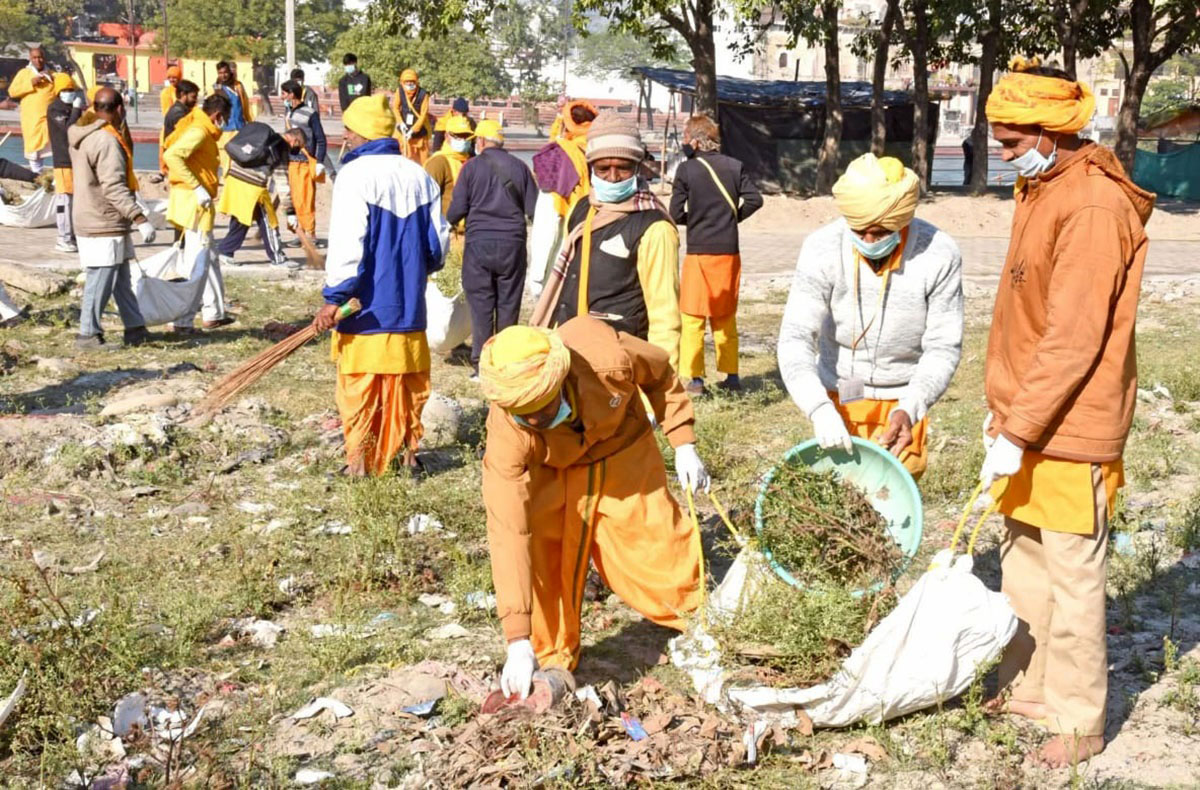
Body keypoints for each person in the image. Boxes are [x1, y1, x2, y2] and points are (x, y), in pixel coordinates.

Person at [979, 58, 1155, 769]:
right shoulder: (1043, 186)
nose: (1002, 153)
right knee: (1023, 556)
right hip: (1028, 416)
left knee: (1074, 574)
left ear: (1051, 132)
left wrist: (1020, 426)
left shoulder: (1091, 207)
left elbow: (1073, 337)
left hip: (1070, 423)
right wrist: (1005, 415)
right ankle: (1030, 686)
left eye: (1011, 141)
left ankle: (1080, 719)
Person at [478, 318, 709, 697]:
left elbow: (660, 375)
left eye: (543, 410)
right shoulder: (508, 433)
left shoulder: (607, 358)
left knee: (655, 544)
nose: (534, 420)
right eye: (525, 415)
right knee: (545, 556)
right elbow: (508, 531)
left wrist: (683, 441)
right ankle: (547, 657)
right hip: (553, 467)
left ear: (560, 380)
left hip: (622, 447)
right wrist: (516, 639)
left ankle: (700, 617)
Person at [777, 152, 963, 480]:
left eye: (880, 232)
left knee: (894, 490)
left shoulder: (937, 253)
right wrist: (819, 409)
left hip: (901, 400)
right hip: (838, 396)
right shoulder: (822, 248)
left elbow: (943, 347)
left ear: (901, 220)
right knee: (838, 488)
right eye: (859, 230)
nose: (868, 241)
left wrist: (910, 408)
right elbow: (795, 337)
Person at [312, 94, 450, 476]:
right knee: (407, 386)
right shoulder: (419, 175)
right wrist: (411, 270)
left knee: (361, 388)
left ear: (361, 133)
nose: (345, 138)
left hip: (366, 309)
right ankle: (407, 459)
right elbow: (438, 247)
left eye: (348, 131)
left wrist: (334, 298)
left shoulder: (354, 176)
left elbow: (348, 244)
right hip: (409, 308)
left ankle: (359, 465)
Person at [530, 112, 682, 373]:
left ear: (638, 167)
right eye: (603, 168)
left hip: (620, 364)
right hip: (571, 352)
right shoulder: (581, 210)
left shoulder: (654, 227)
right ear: (591, 167)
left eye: (623, 167)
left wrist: (663, 385)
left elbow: (665, 316)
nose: (613, 177)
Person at [669, 114, 763, 395]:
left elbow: (675, 212)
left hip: (699, 253)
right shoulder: (734, 166)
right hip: (728, 253)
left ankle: (696, 380)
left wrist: (695, 221)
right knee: (724, 315)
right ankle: (731, 377)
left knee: (693, 317)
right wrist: (733, 218)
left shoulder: (686, 170)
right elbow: (755, 199)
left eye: (686, 138)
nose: (685, 143)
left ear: (697, 141)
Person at [445, 119, 538, 375]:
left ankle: (481, 366)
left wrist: (445, 225)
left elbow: (457, 210)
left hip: (479, 244)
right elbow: (533, 209)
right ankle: (505, 364)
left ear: (481, 141)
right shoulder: (520, 167)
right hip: (513, 244)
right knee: (509, 304)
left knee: (481, 305)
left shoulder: (471, 168)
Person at [67, 88, 157, 351]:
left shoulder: (83, 132)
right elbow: (113, 187)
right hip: (103, 219)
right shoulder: (106, 140)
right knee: (101, 277)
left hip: (91, 214)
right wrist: (139, 217)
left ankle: (135, 328)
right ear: (119, 109)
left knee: (120, 277)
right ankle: (87, 335)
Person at [163, 92, 234, 332]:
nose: (225, 123)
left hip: (195, 203)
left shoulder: (200, 127)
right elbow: (171, 156)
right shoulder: (199, 131)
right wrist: (196, 187)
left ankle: (214, 313)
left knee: (209, 258)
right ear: (217, 115)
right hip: (193, 203)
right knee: (196, 263)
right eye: (225, 118)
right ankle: (181, 320)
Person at [528, 100, 599, 296]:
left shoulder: (559, 156)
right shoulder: (598, 150)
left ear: (568, 124)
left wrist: (537, 275)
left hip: (564, 224)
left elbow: (547, 221)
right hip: (589, 224)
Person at [216, 125, 301, 271]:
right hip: (253, 187)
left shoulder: (266, 137)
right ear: (294, 141)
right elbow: (282, 184)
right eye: (299, 146)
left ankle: (224, 252)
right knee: (269, 222)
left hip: (234, 178)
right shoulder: (281, 148)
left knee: (241, 220)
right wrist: (290, 212)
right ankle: (277, 259)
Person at [281, 79, 327, 248]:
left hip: (305, 162)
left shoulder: (310, 113)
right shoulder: (288, 112)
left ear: (292, 94)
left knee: (306, 200)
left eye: (284, 93)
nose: (282, 97)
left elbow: (321, 139)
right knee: (293, 199)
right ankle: (299, 233)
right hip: (291, 162)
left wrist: (319, 161)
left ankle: (311, 235)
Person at [47, 73, 86, 253]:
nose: (70, 93)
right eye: (66, 90)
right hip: (63, 161)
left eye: (72, 89)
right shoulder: (55, 109)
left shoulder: (71, 108)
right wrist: (77, 110)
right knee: (65, 201)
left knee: (75, 201)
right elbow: (68, 130)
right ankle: (63, 237)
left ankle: (73, 235)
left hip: (75, 161)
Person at [8, 46, 56, 173]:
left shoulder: (52, 74)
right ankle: (36, 174)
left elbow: (66, 88)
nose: (38, 60)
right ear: (30, 58)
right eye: (34, 58)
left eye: (40, 57)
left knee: (54, 147)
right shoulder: (24, 73)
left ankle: (55, 176)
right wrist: (31, 83)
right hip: (32, 119)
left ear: (44, 58)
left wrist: (53, 79)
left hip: (49, 118)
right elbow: (12, 92)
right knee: (34, 148)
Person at [424, 115, 474, 223]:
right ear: (446, 136)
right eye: (458, 136)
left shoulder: (471, 161)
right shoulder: (438, 162)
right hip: (446, 227)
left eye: (466, 136)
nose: (463, 140)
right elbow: (426, 198)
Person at [213, 60, 254, 176]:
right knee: (225, 158)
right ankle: (226, 180)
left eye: (225, 72)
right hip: (224, 129)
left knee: (239, 157)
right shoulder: (216, 87)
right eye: (220, 73)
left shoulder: (238, 86)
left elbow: (245, 104)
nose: (223, 75)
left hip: (239, 127)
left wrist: (250, 122)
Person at [393, 68, 434, 164]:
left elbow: (423, 115)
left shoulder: (423, 95)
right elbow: (395, 108)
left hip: (419, 135)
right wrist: (400, 123)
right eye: (407, 82)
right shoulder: (399, 91)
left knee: (422, 163)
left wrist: (413, 130)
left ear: (416, 82)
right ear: (402, 82)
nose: (410, 84)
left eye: (412, 82)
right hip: (403, 133)